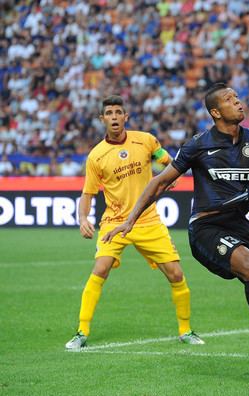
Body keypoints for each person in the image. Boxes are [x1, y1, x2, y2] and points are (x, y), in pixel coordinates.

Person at [103, 83, 249, 389]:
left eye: (238, 97)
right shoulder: (199, 145)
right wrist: (129, 220)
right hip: (206, 229)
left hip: (239, 228)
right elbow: (159, 183)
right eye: (231, 100)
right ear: (217, 112)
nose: (239, 102)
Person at [65, 95, 204, 349]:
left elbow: (169, 162)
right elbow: (88, 193)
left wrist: (170, 176)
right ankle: (81, 332)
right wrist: (83, 218)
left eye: (119, 112)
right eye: (109, 113)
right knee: (100, 269)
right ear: (102, 119)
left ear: (126, 117)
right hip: (114, 222)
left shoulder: (146, 140)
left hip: (148, 219)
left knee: (175, 273)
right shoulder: (96, 156)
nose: (115, 117)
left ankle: (185, 330)